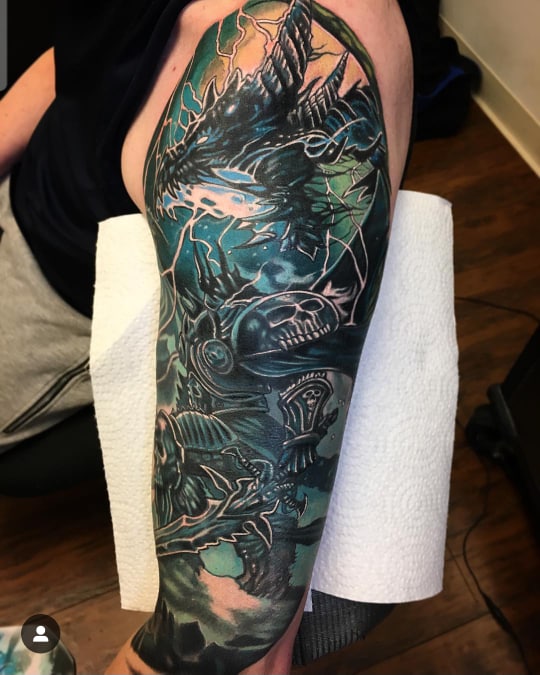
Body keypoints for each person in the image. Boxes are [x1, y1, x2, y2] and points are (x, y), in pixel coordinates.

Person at [1, 1, 413, 673]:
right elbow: (83, 55)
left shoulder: (279, 44)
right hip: (35, 188)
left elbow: (223, 650)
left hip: (62, 292)